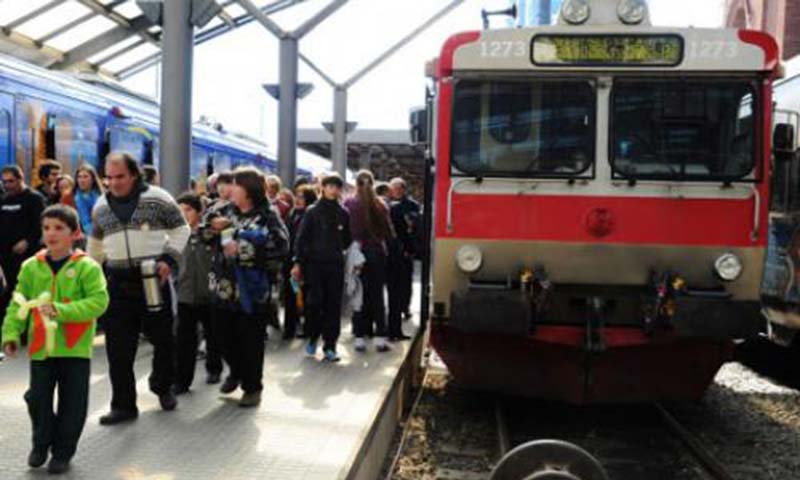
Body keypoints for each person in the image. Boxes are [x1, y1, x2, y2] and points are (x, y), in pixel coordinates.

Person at [2, 205, 109, 474]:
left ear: (74, 234)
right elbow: (18, 303)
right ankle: (41, 443)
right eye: (47, 228)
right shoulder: (31, 267)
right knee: (36, 397)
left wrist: (62, 311)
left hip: (75, 348)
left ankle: (62, 452)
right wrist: (11, 333)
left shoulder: (87, 267)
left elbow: (99, 302)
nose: (51, 233)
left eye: (59, 228)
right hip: (40, 348)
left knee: (73, 404)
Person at [88, 152, 190, 425]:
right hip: (117, 283)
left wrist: (168, 259)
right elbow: (95, 244)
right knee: (118, 350)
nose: (113, 183)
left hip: (151, 279)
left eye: (119, 176)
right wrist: (89, 273)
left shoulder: (158, 198)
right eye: (108, 177)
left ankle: (162, 386)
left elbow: (182, 229)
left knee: (164, 340)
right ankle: (123, 405)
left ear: (134, 175)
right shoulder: (101, 205)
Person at [206, 167, 289, 407]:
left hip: (253, 292)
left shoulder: (268, 215)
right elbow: (202, 233)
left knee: (250, 340)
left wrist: (241, 243)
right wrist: (213, 228)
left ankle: (252, 387)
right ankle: (237, 370)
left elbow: (280, 247)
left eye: (235, 185)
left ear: (249, 190)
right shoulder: (222, 210)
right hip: (222, 287)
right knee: (221, 336)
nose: (229, 189)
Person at [292, 173, 352, 362]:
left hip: (334, 264)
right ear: (323, 188)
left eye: (336, 186)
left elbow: (348, 239)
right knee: (314, 303)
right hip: (314, 265)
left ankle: (330, 345)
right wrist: (297, 263)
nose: (333, 189)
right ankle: (312, 337)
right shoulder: (312, 211)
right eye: (330, 186)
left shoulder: (343, 213)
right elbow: (301, 239)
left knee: (333, 305)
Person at [174, 192, 222, 393]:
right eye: (180, 210)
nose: (184, 214)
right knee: (185, 339)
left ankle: (214, 369)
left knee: (213, 333)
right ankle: (182, 381)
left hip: (209, 292)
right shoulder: (175, 236)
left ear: (199, 212)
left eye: (188, 210)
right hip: (184, 293)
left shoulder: (210, 234)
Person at [343, 170, 394, 353]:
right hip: (377, 253)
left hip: (357, 254)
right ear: (373, 184)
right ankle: (380, 338)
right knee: (377, 295)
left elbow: (345, 232)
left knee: (358, 294)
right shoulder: (381, 205)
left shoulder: (348, 203)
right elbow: (388, 233)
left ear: (356, 184)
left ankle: (359, 338)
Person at [0, 166, 46, 318]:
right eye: (4, 182)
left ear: (20, 179)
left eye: (11, 181)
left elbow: (41, 225)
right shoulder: (4, 199)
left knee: (27, 291)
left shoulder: (34, 198)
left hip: (28, 255)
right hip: (6, 257)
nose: (7, 185)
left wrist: (27, 241)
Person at [387, 177, 421, 340]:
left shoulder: (412, 206)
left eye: (398, 188)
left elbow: (415, 229)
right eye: (393, 189)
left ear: (403, 189)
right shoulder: (388, 206)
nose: (395, 192)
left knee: (405, 283)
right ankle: (392, 327)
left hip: (402, 252)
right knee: (395, 288)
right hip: (395, 253)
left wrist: (412, 249)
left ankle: (404, 307)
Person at [283, 186, 317, 339]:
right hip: (290, 260)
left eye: (301, 197)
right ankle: (289, 327)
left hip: (305, 261)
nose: (297, 199)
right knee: (290, 295)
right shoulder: (292, 214)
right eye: (297, 196)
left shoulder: (310, 216)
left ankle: (308, 327)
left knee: (305, 296)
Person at [74, 164, 103, 236]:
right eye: (79, 177)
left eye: (85, 177)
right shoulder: (75, 197)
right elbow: (85, 221)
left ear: (93, 179)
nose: (82, 180)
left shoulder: (100, 195)